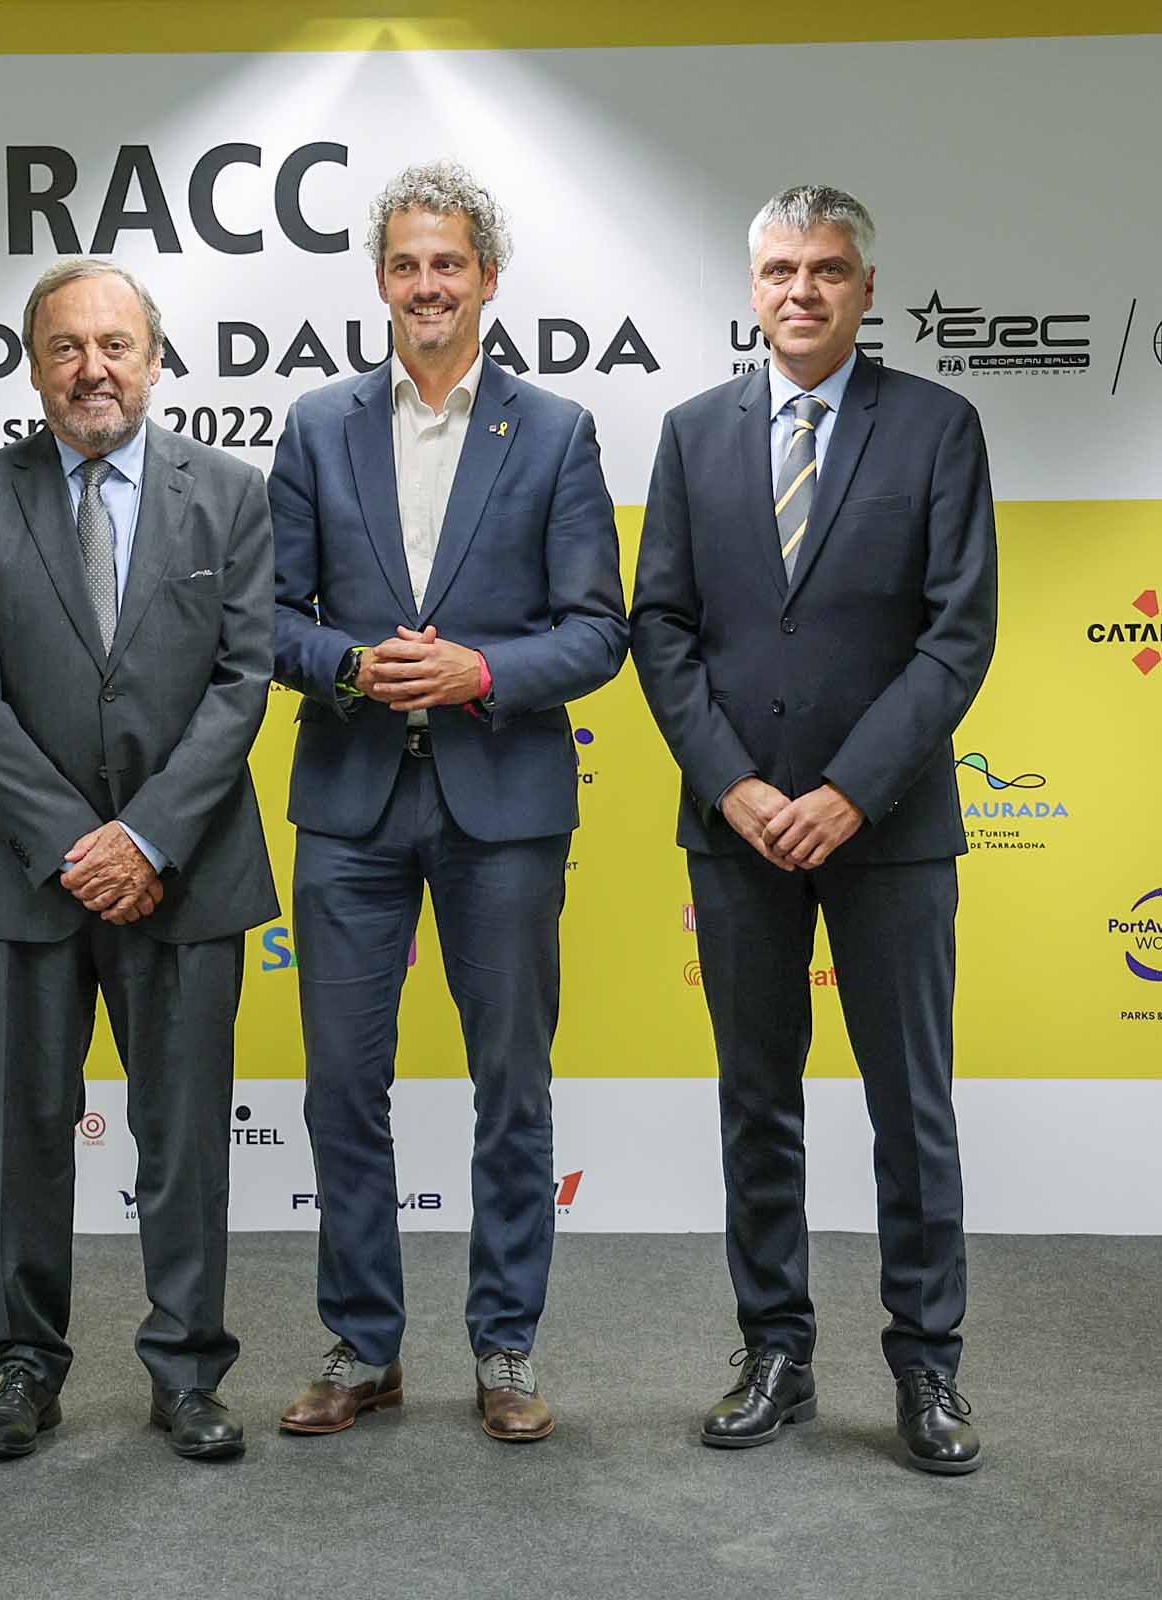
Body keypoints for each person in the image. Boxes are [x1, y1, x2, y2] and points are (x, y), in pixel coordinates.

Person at [632, 185, 996, 1474]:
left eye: (827, 269)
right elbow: (660, 627)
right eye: (781, 269)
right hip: (735, 830)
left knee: (911, 1103)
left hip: (888, 829)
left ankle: (927, 1366)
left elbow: (956, 636)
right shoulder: (691, 433)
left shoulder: (937, 427)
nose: (801, 290)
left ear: (864, 288)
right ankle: (772, 1352)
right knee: (755, 1100)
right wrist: (732, 785)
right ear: (752, 289)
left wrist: (847, 790)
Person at [268, 161, 627, 1443]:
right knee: (338, 1088)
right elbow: (267, 618)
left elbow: (597, 630)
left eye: (449, 264)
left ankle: (504, 1345)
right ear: (379, 281)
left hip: (504, 806)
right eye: (406, 264)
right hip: (350, 803)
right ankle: (363, 1344)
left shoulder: (555, 432)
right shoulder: (315, 425)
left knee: (510, 1086)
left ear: (487, 278)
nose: (428, 285)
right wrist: (350, 664)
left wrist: (480, 671)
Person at [0, 258, 277, 1462]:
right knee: (25, 1132)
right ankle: (23, 1366)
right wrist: (72, 842)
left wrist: (145, 836)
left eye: (115, 345)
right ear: (33, 367)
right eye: (66, 348)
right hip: (18, 875)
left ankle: (186, 1369)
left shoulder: (229, 494)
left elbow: (242, 682)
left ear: (155, 359)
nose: (92, 370)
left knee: (181, 1139)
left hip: (186, 869)